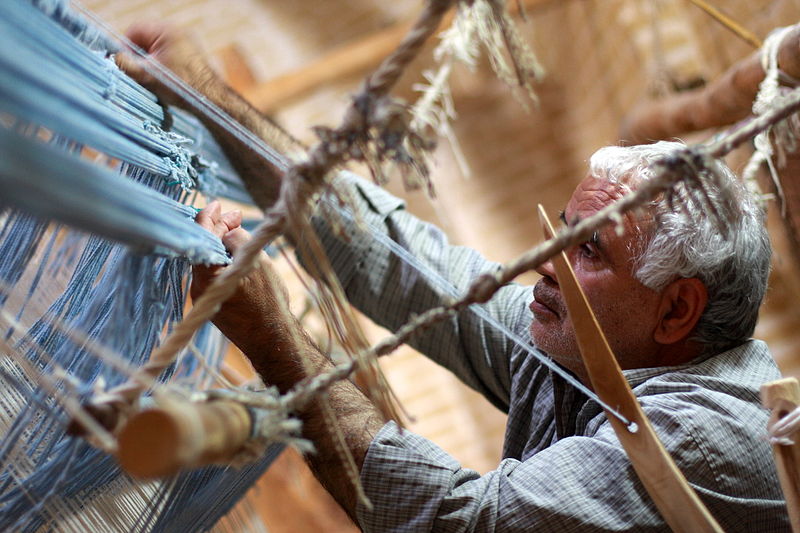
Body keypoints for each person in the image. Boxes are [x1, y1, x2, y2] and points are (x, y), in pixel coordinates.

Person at [121, 24, 789, 532]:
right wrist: (207, 97)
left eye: (588, 250)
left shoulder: (709, 438)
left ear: (675, 312)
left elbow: (460, 520)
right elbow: (391, 258)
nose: (543, 263)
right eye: (559, 230)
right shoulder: (586, 349)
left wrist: (272, 334)